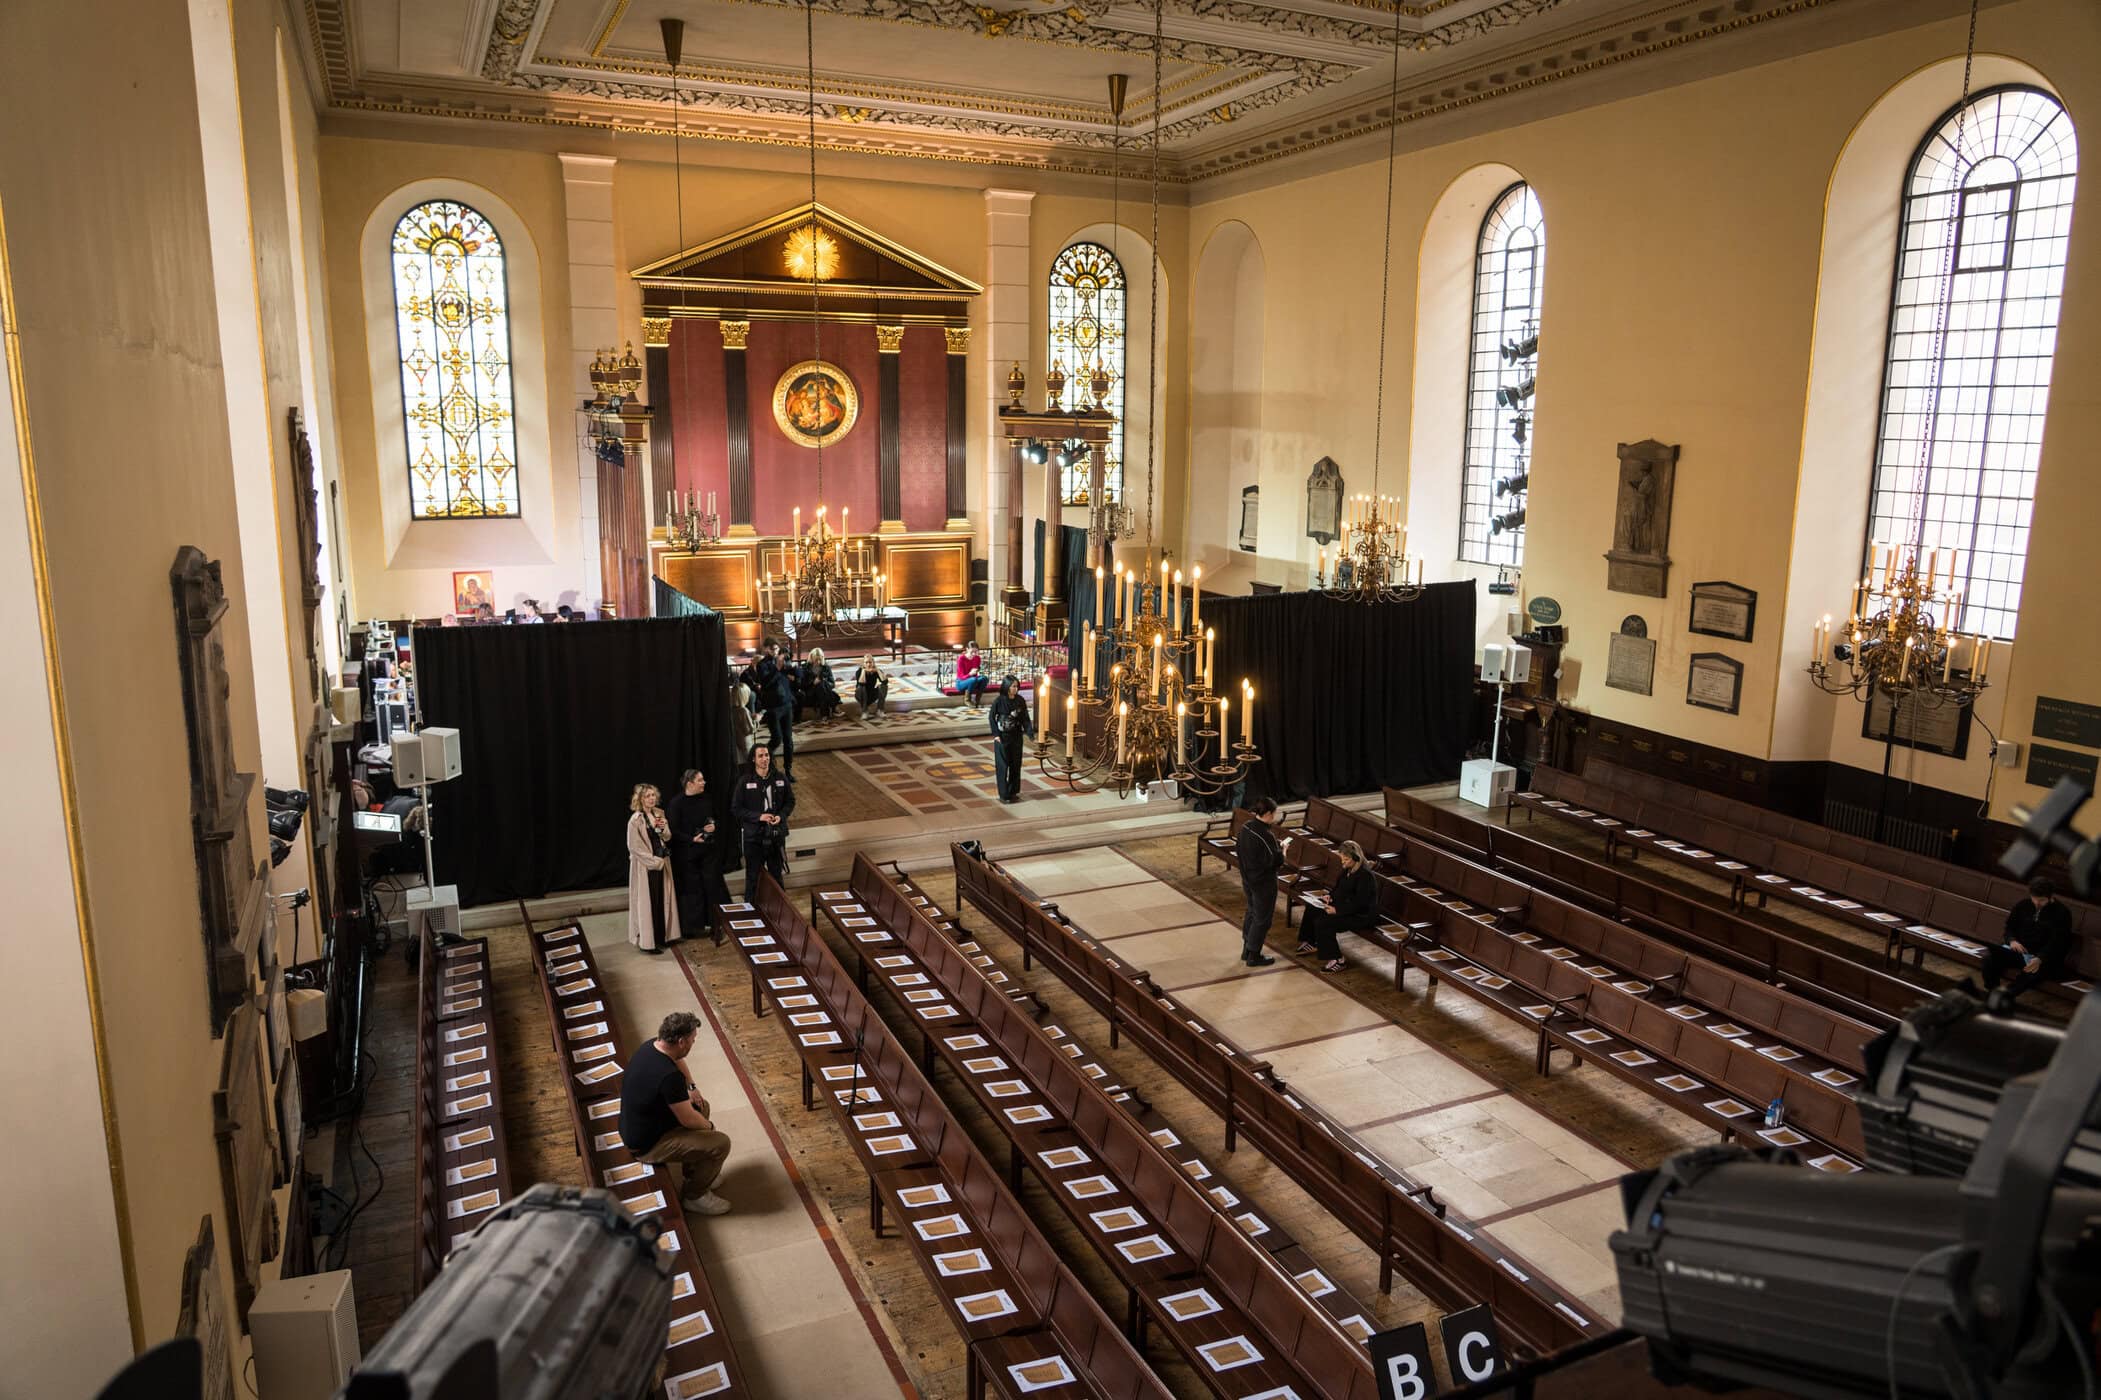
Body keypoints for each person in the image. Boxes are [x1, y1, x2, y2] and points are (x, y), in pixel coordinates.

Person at [618, 1011, 732, 1216]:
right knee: (720, 1143)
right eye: (692, 1040)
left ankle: (694, 1173)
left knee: (701, 1106)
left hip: (638, 1124)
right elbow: (687, 1120)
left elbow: (677, 1061)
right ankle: (695, 1196)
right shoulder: (669, 1078)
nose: (693, 1043)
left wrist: (691, 1086)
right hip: (647, 1144)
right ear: (681, 1041)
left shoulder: (653, 1046)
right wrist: (710, 1129)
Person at [1979, 876, 2074, 998]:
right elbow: (2009, 927)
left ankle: (2005, 997)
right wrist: (2012, 941)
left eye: (2042, 900)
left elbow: (2059, 942)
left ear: (2051, 896)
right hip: (2019, 952)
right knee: (1989, 959)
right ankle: (1993, 992)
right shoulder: (2023, 905)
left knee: (2031, 973)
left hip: (2043, 958)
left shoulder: (2062, 913)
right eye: (2034, 899)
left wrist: (2040, 958)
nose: (2037, 903)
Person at [667, 768, 731, 941]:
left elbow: (714, 817)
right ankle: (691, 927)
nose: (704, 783)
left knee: (713, 888)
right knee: (692, 891)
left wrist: (713, 825)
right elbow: (673, 830)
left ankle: (716, 925)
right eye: (700, 780)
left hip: (708, 853)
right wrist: (691, 839)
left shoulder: (707, 799)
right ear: (689, 784)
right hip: (688, 855)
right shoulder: (676, 803)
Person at [1297, 839, 1375, 974]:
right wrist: (1330, 896)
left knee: (1324, 922)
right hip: (1346, 908)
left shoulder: (1365, 876)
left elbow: (1360, 903)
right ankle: (1311, 942)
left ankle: (1338, 959)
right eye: (1342, 859)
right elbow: (1339, 888)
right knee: (1313, 908)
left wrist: (1337, 910)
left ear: (1356, 858)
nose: (1342, 862)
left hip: (1360, 915)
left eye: (1345, 859)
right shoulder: (1347, 870)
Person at [731, 744, 795, 895]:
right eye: (760, 756)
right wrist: (759, 817)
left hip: (775, 835)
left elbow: (790, 802)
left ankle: (779, 913)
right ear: (753, 759)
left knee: (776, 877)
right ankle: (752, 911)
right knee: (753, 878)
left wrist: (781, 816)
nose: (765, 759)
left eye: (767, 755)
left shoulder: (780, 777)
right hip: (753, 838)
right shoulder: (745, 781)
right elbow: (736, 809)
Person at [626, 783, 681, 954]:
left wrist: (664, 828)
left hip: (661, 862)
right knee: (649, 902)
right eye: (648, 796)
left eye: (653, 795)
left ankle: (662, 937)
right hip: (646, 866)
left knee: (662, 900)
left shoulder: (658, 814)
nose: (652, 798)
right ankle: (649, 942)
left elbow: (666, 837)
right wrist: (654, 862)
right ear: (641, 799)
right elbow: (634, 847)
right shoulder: (636, 820)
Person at [1235, 796, 1286, 967]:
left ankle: (1246, 949)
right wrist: (1283, 851)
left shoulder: (1245, 827)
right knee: (1263, 919)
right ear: (1270, 813)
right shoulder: (1266, 834)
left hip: (1247, 879)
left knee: (1251, 912)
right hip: (1263, 883)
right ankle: (1254, 955)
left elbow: (1241, 852)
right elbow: (1275, 861)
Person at [988, 674, 1034, 804]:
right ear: (1007, 686)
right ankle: (1004, 794)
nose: (1016, 689)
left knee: (1015, 764)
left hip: (1016, 736)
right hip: (1002, 738)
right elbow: (992, 718)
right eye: (1013, 686)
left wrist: (1029, 732)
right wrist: (996, 735)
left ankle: (1013, 791)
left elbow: (1025, 717)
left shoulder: (1020, 700)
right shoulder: (999, 701)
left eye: (1017, 686)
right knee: (1003, 766)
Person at [798, 647, 841, 722]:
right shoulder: (805, 668)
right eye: (816, 660)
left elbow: (832, 684)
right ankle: (833, 707)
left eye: (819, 659)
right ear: (811, 658)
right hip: (810, 693)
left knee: (821, 684)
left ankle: (824, 715)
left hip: (822, 692)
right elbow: (801, 685)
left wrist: (824, 682)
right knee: (824, 687)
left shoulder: (826, 667)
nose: (818, 662)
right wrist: (813, 683)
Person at [954, 640, 989, 708]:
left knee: (984, 678)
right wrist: (970, 674)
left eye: (976, 652)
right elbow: (961, 677)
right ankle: (967, 700)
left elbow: (976, 673)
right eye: (972, 652)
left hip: (973, 680)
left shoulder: (977, 658)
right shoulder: (961, 658)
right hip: (961, 683)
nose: (974, 654)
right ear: (967, 649)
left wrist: (977, 670)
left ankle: (977, 699)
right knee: (973, 679)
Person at [855, 657, 890, 721]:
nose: (868, 664)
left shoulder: (876, 670)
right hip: (861, 694)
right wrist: (864, 671)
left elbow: (885, 681)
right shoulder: (859, 671)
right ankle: (864, 711)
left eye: (870, 662)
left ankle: (880, 710)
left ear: (873, 663)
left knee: (883, 686)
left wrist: (878, 670)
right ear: (863, 664)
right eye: (866, 662)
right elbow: (861, 683)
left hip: (872, 693)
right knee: (861, 687)